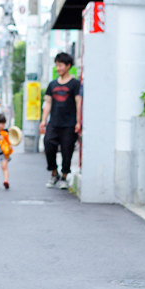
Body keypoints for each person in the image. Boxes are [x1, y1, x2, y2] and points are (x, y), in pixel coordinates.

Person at [39, 52, 82, 189]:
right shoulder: (52, 85)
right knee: (48, 144)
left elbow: (78, 103)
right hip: (54, 123)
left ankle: (64, 176)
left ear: (68, 66)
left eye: (61, 65)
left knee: (67, 150)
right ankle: (54, 173)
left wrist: (78, 121)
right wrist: (43, 120)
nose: (58, 68)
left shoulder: (75, 84)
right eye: (57, 65)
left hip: (69, 124)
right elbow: (48, 103)